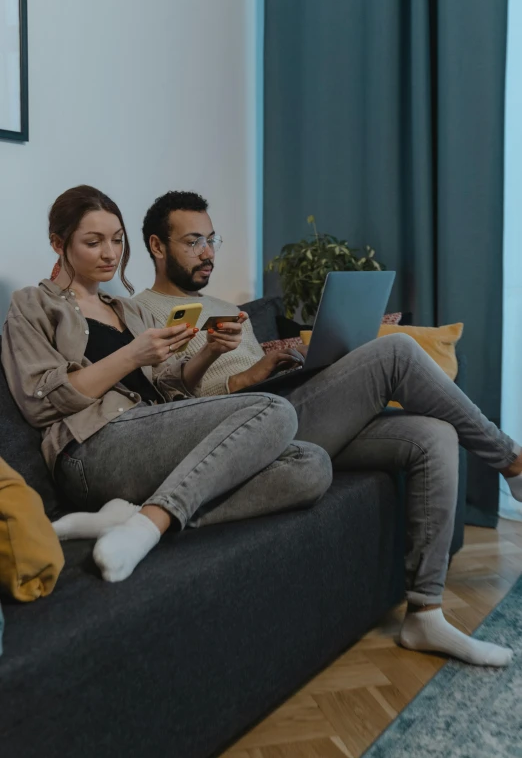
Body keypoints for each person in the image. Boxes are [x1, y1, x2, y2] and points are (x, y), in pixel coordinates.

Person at [136, 190, 522, 667]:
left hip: (288, 408)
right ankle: (511, 460)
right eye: (194, 242)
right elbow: (172, 415)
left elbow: (258, 379)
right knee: (396, 352)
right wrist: (244, 376)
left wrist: (287, 365)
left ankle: (425, 612)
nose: (209, 253)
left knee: (434, 435)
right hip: (248, 438)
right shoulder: (141, 316)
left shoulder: (220, 303)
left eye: (212, 239)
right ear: (157, 246)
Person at [1, 186, 332, 584]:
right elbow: (40, 401)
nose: (111, 253)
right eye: (94, 242)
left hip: (149, 433)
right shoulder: (33, 305)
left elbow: (172, 390)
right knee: (273, 409)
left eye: (118, 240)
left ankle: (134, 516)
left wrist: (208, 350)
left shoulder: (127, 309)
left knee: (310, 465)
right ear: (58, 243)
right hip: (89, 449)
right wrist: (131, 355)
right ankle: (147, 528)